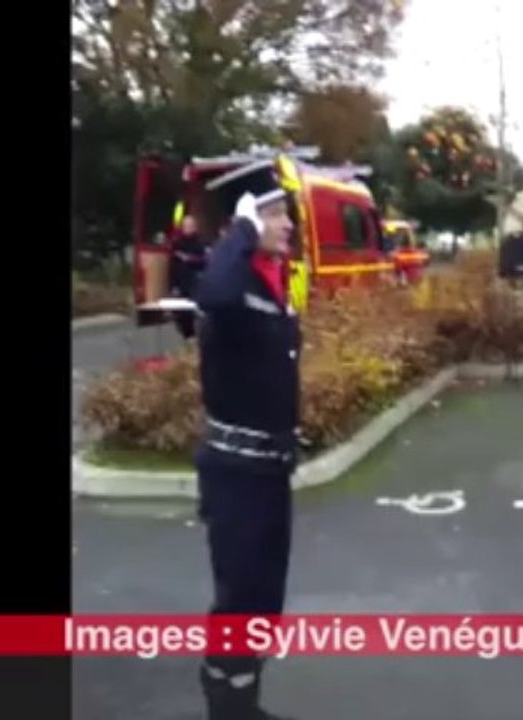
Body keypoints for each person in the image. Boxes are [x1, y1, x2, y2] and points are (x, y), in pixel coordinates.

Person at [193, 168, 299, 720]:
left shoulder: (270, 283)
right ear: (251, 217)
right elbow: (213, 294)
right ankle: (224, 707)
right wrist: (241, 230)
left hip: (270, 470)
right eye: (276, 213)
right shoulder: (231, 279)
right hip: (235, 472)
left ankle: (244, 701)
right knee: (238, 598)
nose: (288, 225)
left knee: (263, 598)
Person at [169, 215, 208, 339]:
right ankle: (187, 336)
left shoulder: (200, 244)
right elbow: (172, 266)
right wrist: (173, 285)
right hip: (181, 284)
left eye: (191, 226)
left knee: (195, 313)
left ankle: (193, 337)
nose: (188, 228)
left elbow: (204, 262)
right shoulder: (177, 244)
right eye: (186, 226)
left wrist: (189, 259)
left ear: (195, 228)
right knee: (180, 313)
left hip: (195, 283)